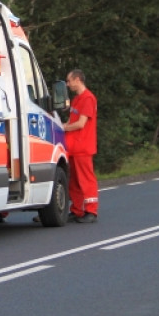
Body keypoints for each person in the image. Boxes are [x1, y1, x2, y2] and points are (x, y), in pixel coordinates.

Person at [63, 69, 98, 223]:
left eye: (69, 81)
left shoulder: (88, 98)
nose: (68, 84)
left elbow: (80, 123)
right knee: (74, 181)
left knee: (86, 179)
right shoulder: (76, 99)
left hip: (83, 146)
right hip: (73, 147)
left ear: (77, 80)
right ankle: (77, 209)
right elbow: (72, 120)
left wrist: (63, 127)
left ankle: (91, 210)